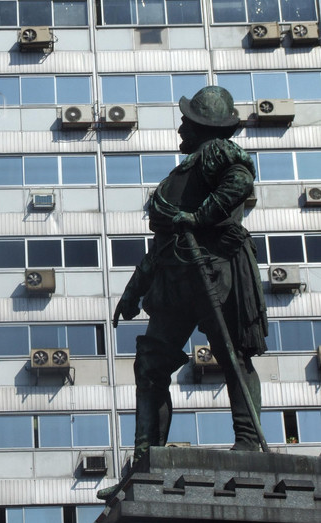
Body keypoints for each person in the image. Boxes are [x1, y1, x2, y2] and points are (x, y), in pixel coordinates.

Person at [112, 86, 269, 469]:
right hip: (175, 276)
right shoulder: (183, 169)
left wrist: (197, 219)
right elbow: (162, 241)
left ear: (203, 126)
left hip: (212, 270)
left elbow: (240, 181)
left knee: (232, 355)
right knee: (151, 366)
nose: (181, 126)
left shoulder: (215, 151)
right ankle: (145, 458)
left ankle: (248, 439)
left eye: (188, 120)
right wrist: (135, 289)